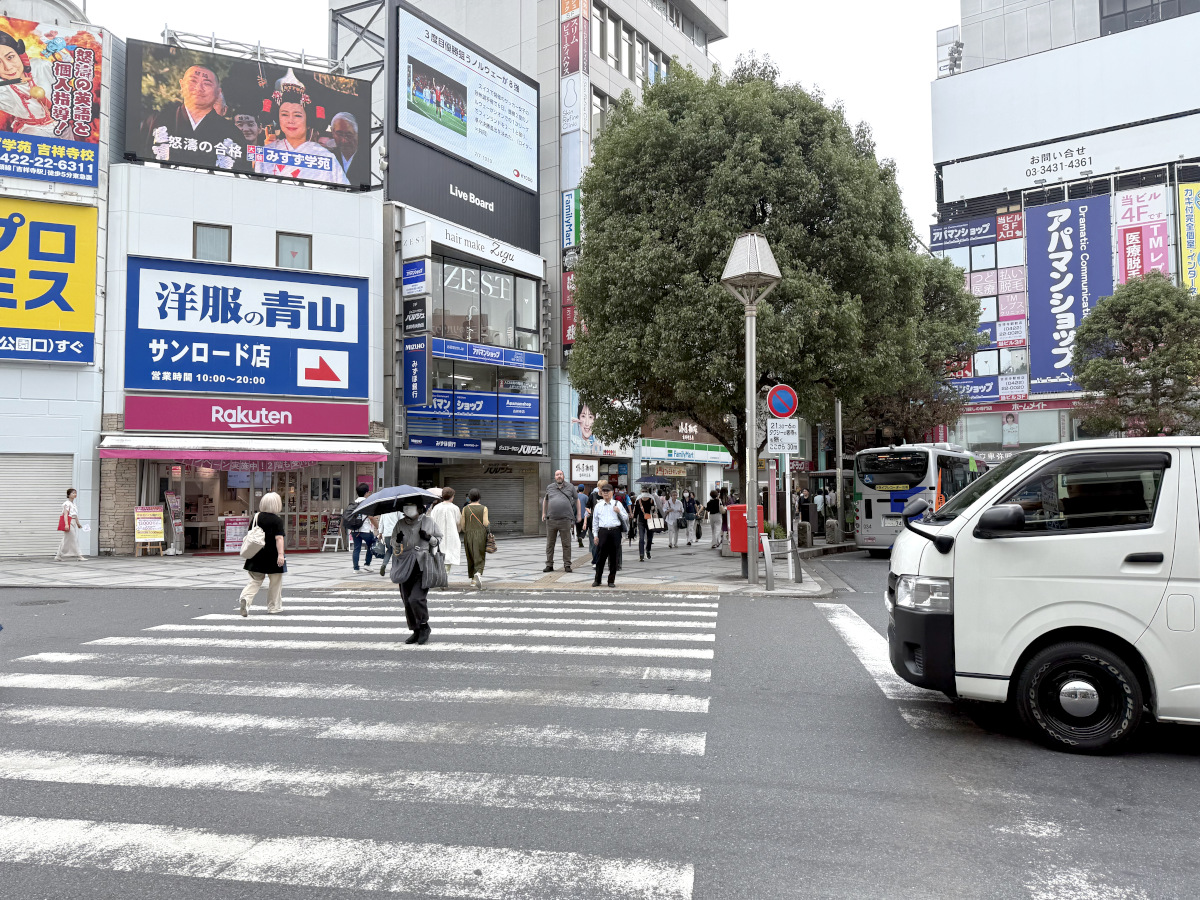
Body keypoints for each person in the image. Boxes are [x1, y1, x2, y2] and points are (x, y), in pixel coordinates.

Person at [141, 64, 251, 172]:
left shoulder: (232, 132)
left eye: (206, 83)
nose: (199, 88)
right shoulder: (157, 121)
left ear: (218, 92)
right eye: (193, 81)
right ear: (182, 85)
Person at [253, 70, 349, 185]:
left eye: (297, 115)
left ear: (308, 120)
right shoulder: (266, 153)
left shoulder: (325, 157)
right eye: (284, 114)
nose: (290, 120)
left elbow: (343, 190)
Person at [389, 498, 443, 644]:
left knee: (416, 598)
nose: (408, 509)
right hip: (405, 564)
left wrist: (429, 538)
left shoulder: (428, 521)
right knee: (407, 600)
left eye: (411, 506)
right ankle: (415, 629)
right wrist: (397, 541)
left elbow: (439, 538)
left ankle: (424, 626)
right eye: (405, 507)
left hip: (423, 564)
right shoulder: (400, 523)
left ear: (419, 508)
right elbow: (393, 542)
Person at [0, 30, 55, 138]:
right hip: (32, 131)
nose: (8, 67)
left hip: (62, 125)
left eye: (10, 57)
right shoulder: (3, 90)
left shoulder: (41, 66)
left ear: (19, 54)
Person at [239, 491, 285, 616]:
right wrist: (281, 555)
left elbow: (250, 533)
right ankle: (274, 607)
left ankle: (246, 598)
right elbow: (279, 538)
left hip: (256, 554)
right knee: (275, 583)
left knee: (255, 580)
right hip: (273, 556)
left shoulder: (256, 517)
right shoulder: (277, 521)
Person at [591, 483, 628, 587]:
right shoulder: (598, 506)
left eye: (608, 491)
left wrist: (619, 511)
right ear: (601, 493)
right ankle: (597, 579)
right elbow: (595, 522)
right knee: (600, 557)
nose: (606, 493)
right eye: (604, 491)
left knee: (614, 557)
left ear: (612, 493)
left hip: (615, 532)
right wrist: (595, 535)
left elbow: (625, 517)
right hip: (603, 532)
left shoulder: (617, 504)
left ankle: (611, 580)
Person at [542, 469, 577, 573]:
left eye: (561, 474)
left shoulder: (570, 487)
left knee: (566, 544)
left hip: (565, 520)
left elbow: (576, 500)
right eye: (557, 474)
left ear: (563, 476)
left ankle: (567, 565)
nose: (559, 476)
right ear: (555, 477)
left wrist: (579, 514)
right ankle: (549, 565)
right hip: (551, 520)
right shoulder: (550, 487)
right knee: (550, 544)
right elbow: (545, 500)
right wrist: (543, 513)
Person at [428, 486, 462, 578]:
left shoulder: (436, 508)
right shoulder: (455, 508)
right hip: (452, 535)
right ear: (452, 496)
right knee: (449, 556)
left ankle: (440, 575)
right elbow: (459, 522)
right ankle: (445, 575)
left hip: (438, 536)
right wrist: (458, 531)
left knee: (438, 554)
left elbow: (431, 521)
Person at [347, 483, 379, 574]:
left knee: (356, 548)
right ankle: (367, 564)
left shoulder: (353, 503)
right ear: (366, 493)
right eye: (369, 492)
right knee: (372, 544)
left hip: (355, 530)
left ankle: (356, 568)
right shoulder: (367, 503)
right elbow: (371, 517)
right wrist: (378, 527)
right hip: (365, 530)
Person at [461, 488, 490, 590]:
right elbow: (485, 523)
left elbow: (463, 525)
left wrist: (466, 530)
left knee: (470, 555)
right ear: (479, 497)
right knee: (480, 555)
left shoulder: (465, 509)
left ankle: (473, 580)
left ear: (469, 498)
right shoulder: (484, 508)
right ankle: (478, 573)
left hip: (468, 534)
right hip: (480, 534)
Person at [54, 488, 86, 562]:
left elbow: (75, 515)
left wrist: (78, 523)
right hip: (69, 522)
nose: (75, 494)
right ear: (69, 494)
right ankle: (79, 555)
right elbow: (65, 514)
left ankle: (58, 555)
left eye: (75, 493)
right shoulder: (66, 504)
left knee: (65, 539)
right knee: (74, 538)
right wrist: (66, 524)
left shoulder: (73, 504)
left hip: (73, 522)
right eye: (73, 493)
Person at [329, 111, 359, 176]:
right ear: (332, 132)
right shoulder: (330, 156)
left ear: (356, 134)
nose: (344, 140)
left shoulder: (367, 158)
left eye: (349, 135)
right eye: (339, 134)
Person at [633, 485, 657, 561]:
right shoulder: (638, 500)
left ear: (648, 492)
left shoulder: (651, 499)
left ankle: (648, 550)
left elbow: (654, 510)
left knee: (650, 538)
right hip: (641, 521)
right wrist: (634, 519)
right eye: (643, 491)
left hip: (650, 520)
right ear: (641, 492)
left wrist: (653, 510)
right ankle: (641, 555)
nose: (644, 493)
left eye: (645, 491)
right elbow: (636, 511)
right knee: (641, 538)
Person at [377, 507, 401, 577]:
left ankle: (384, 565)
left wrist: (380, 533)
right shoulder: (397, 510)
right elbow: (401, 521)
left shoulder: (384, 511)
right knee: (396, 552)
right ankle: (395, 569)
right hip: (396, 534)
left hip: (387, 534)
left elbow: (381, 523)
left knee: (389, 550)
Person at [575, 483, 588, 548]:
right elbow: (587, 506)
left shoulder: (575, 496)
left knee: (578, 529)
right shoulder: (586, 497)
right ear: (584, 489)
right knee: (585, 527)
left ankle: (579, 541)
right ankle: (581, 536)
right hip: (583, 515)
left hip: (576, 515)